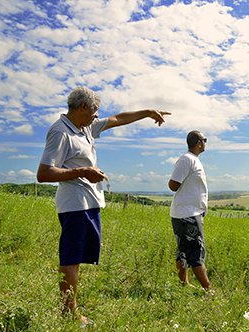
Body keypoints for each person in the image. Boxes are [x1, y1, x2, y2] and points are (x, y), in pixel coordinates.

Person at [36, 86, 171, 325]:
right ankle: (69, 314)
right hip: (74, 204)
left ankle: (71, 309)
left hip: (88, 202)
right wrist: (83, 171)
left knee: (76, 258)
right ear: (82, 107)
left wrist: (148, 112)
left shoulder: (85, 126)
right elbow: (44, 173)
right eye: (95, 110)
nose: (98, 115)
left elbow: (118, 119)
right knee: (70, 258)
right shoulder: (60, 132)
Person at [168, 130, 214, 295]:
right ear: (198, 143)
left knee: (183, 250)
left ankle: (183, 285)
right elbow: (173, 185)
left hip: (188, 212)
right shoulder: (187, 159)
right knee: (196, 252)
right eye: (204, 139)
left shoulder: (193, 160)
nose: (205, 142)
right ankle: (209, 291)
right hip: (187, 214)